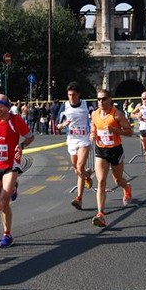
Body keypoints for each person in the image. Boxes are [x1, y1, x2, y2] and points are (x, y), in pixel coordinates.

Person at [0, 94, 34, 248]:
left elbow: (30, 137)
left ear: (7, 107)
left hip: (11, 164)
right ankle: (14, 186)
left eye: (0, 106)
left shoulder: (15, 120)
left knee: (5, 201)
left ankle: (7, 235)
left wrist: (21, 146)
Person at [89, 88, 133, 228]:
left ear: (109, 100)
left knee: (118, 180)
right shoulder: (95, 114)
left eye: (103, 99)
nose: (100, 102)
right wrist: (92, 134)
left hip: (115, 150)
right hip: (101, 150)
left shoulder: (117, 115)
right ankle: (100, 214)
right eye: (99, 99)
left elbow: (130, 132)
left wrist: (116, 130)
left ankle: (126, 188)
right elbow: (93, 127)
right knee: (101, 181)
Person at [57, 82, 92, 211]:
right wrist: (62, 125)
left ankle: (79, 199)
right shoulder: (65, 106)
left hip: (84, 139)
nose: (71, 97)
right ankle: (87, 175)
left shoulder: (86, 105)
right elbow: (57, 125)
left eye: (73, 95)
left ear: (78, 94)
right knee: (77, 169)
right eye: (69, 95)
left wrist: (93, 131)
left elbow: (94, 117)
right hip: (72, 140)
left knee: (80, 167)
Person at [131, 91, 146, 172]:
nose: (145, 100)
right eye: (143, 99)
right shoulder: (139, 106)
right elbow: (132, 114)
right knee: (145, 147)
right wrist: (137, 116)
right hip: (142, 128)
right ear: (141, 99)